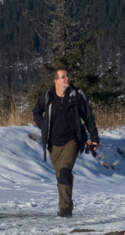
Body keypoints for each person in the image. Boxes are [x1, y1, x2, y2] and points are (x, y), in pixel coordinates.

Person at [32, 68, 100, 217]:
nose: (67, 79)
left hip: (73, 140)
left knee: (64, 170)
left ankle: (64, 208)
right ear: (56, 81)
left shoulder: (76, 97)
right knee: (60, 176)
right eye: (63, 77)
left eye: (67, 76)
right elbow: (36, 111)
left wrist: (94, 138)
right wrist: (42, 124)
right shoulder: (47, 97)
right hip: (53, 143)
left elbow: (89, 117)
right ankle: (68, 204)